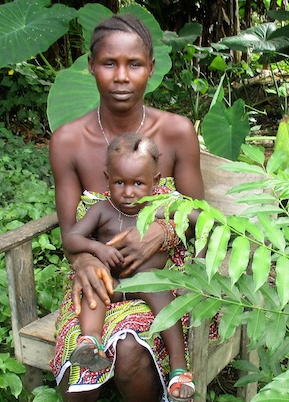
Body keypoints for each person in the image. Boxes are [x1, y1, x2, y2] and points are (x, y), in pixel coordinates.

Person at [49, 13, 208, 402]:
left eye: (134, 64)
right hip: (101, 278)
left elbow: (201, 216)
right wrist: (85, 261)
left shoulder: (176, 132)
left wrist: (162, 232)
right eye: (109, 63)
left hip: (166, 277)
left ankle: (173, 374)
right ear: (91, 67)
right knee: (79, 374)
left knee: (130, 353)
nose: (122, 76)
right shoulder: (68, 141)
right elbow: (71, 234)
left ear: (151, 69)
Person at [62, 133, 193, 401]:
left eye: (138, 183)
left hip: (146, 282)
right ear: (107, 176)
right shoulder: (101, 210)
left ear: (155, 181)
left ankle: (179, 369)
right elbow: (72, 238)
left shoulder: (161, 206)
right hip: (113, 281)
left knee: (165, 300)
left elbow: (198, 218)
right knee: (94, 289)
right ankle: (91, 342)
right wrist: (98, 249)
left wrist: (165, 216)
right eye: (119, 182)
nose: (128, 192)